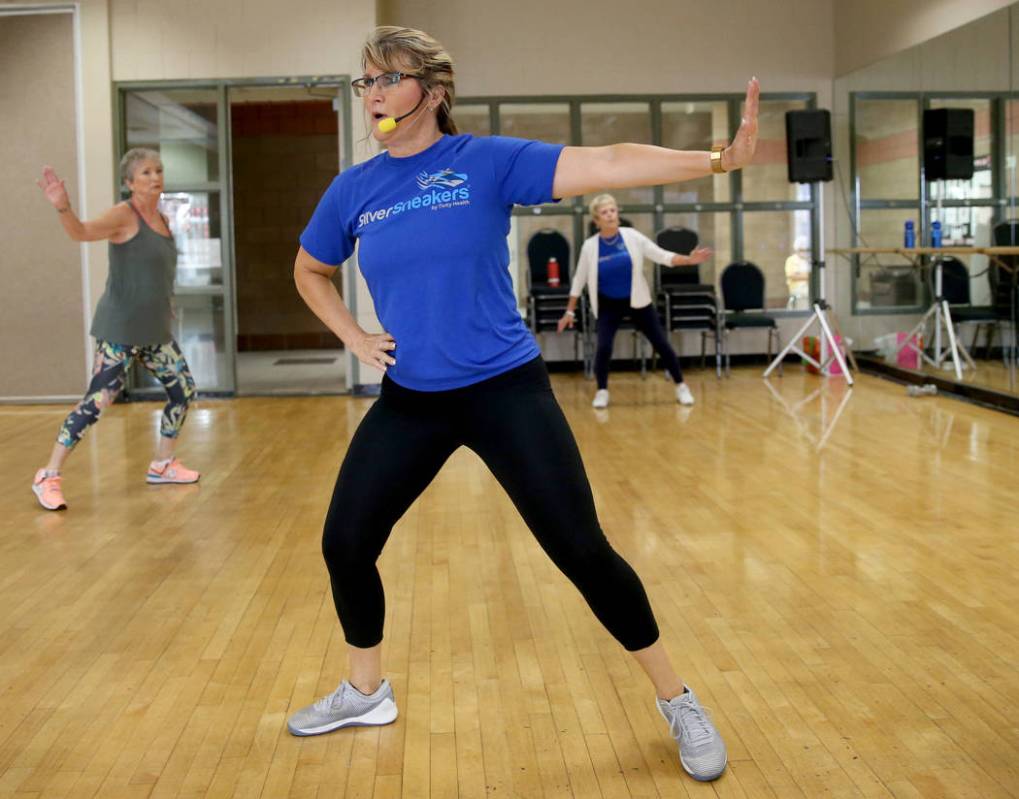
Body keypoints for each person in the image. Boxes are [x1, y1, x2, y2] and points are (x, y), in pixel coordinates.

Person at [288, 26, 759, 783]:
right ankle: (365, 689)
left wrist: (715, 159)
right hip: (411, 397)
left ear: (432, 91)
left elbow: (606, 162)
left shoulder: (483, 163)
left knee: (581, 551)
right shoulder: (354, 189)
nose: (371, 92)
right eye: (364, 81)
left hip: (503, 388)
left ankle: (677, 698)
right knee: (345, 542)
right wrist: (353, 334)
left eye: (387, 78)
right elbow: (310, 268)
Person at [31, 150, 199, 511]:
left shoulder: (164, 219)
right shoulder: (124, 215)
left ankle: (163, 464)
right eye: (145, 173)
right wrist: (63, 207)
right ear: (129, 183)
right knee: (97, 402)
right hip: (120, 331)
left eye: (158, 170)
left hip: (154, 332)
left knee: (183, 391)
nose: (155, 177)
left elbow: (158, 273)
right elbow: (81, 233)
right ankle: (48, 475)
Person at [558, 194, 712, 408]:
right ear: (597, 221)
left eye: (612, 210)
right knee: (603, 347)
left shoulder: (631, 236)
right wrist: (569, 312)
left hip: (637, 301)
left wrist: (689, 259)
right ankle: (602, 390)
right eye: (604, 212)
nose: (610, 215)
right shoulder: (590, 246)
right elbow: (579, 279)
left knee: (661, 343)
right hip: (607, 304)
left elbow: (662, 256)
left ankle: (681, 386)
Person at [784, 235, 811, 309]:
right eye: (801, 250)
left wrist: (800, 275)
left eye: (806, 250)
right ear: (797, 249)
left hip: (809, 295)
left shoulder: (809, 260)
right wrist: (807, 276)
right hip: (797, 295)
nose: (804, 252)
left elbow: (813, 275)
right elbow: (791, 275)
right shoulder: (791, 260)